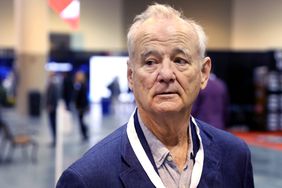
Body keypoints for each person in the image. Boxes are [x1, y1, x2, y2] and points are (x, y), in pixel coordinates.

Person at [56, 3, 254, 188]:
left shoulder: (236, 157)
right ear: (131, 76)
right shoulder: (87, 179)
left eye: (180, 60)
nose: (166, 74)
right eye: (151, 62)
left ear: (203, 73)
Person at [73, 71, 89, 141]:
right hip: (82, 105)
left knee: (81, 121)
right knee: (81, 120)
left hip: (81, 106)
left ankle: (85, 133)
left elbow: (80, 96)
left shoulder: (80, 85)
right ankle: (84, 133)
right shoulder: (82, 85)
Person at [45, 72, 59, 147]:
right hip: (51, 107)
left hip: (52, 108)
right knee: (52, 124)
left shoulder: (53, 84)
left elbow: (54, 97)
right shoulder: (51, 84)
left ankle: (55, 140)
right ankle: (54, 139)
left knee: (53, 124)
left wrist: (52, 106)